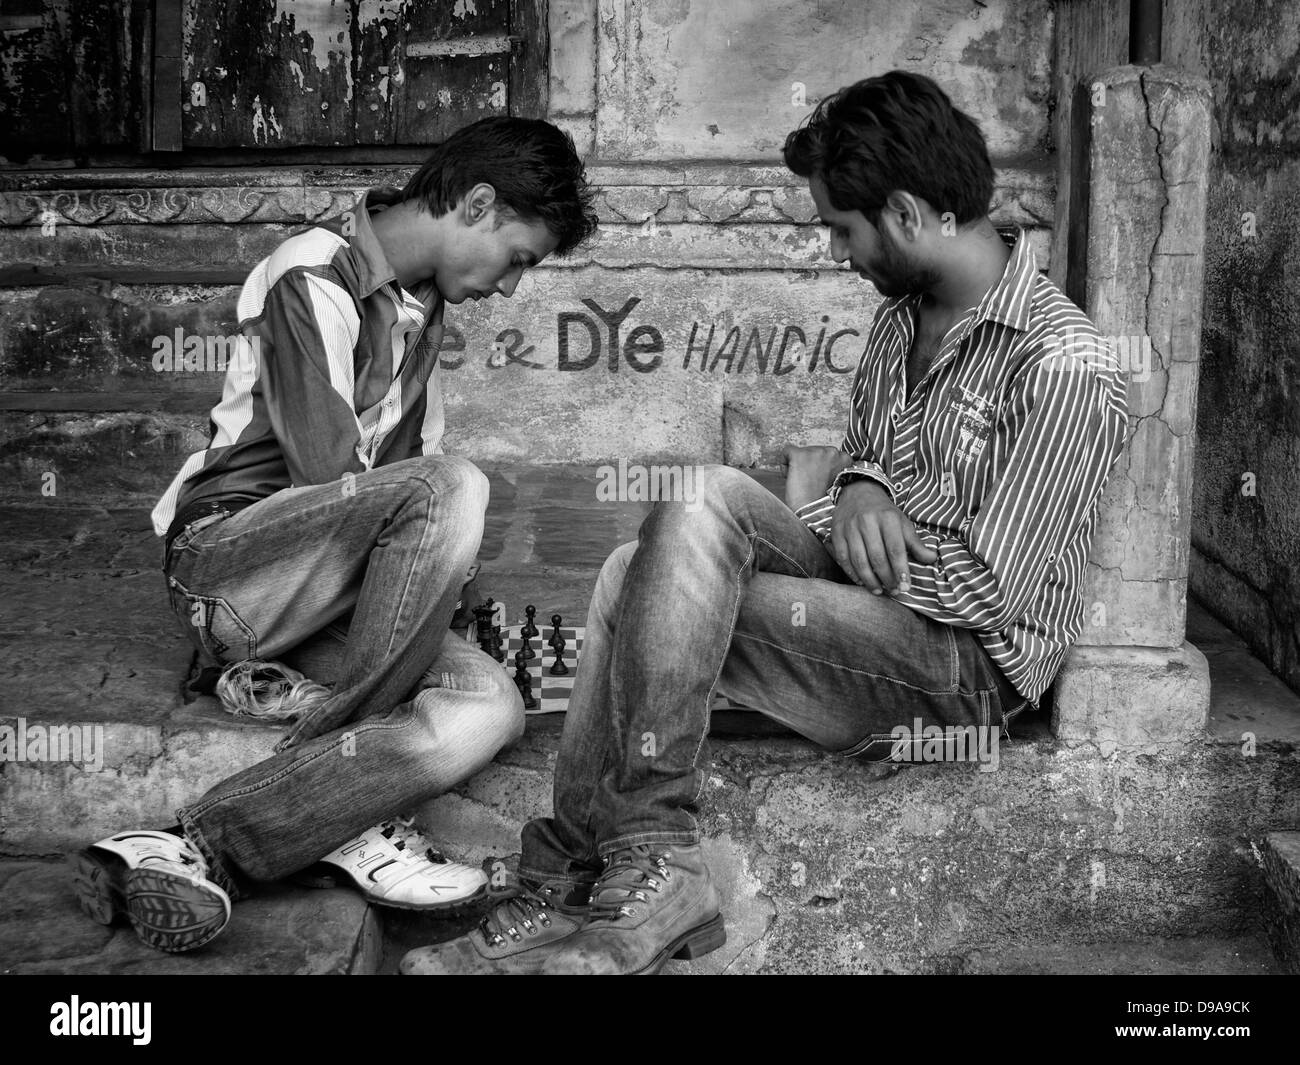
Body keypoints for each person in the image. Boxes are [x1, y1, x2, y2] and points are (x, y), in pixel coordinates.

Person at [403, 70, 1128, 976]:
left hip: (960, 664)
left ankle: (619, 867)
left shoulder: (1063, 363)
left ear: (904, 214)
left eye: (841, 228)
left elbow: (994, 589)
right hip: (881, 600)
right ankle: (622, 871)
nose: (835, 252)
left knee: (647, 585)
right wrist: (862, 484)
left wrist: (854, 547)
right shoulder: (905, 323)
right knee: (687, 509)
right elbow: (868, 464)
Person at [67, 116, 598, 954]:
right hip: (232, 572)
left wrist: (439, 602)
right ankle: (358, 810)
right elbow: (336, 480)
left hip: (326, 604)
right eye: (518, 259)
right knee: (454, 483)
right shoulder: (314, 271)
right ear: (478, 203)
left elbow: (405, 519)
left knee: (488, 705)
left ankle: (198, 844)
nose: (509, 289)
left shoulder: (421, 321)